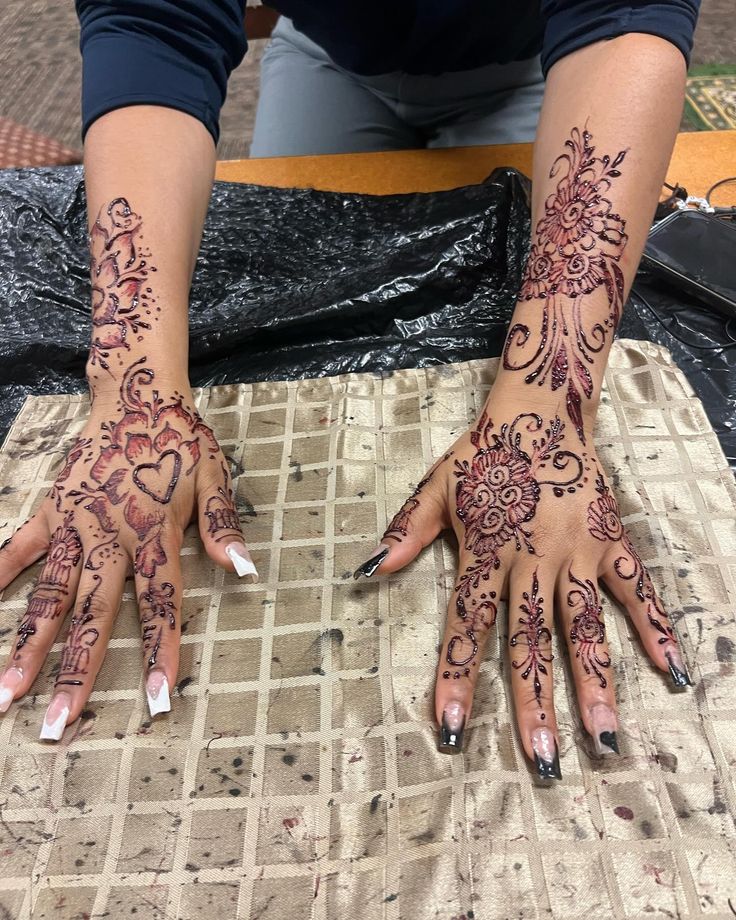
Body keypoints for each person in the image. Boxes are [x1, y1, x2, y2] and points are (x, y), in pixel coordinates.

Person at [0, 1, 698, 781]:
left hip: (536, 58)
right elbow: (157, 23)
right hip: (335, 53)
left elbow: (622, 14)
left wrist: (547, 402)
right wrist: (135, 389)